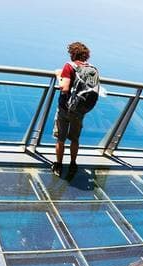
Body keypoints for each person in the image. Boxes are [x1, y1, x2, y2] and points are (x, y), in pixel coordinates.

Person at [52, 41, 93, 177]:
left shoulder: (69, 67)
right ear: (86, 55)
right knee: (75, 139)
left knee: (61, 139)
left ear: (72, 54)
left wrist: (59, 76)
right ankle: (73, 163)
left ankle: (58, 164)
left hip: (65, 108)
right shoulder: (91, 69)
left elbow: (64, 88)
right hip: (80, 110)